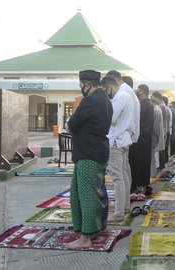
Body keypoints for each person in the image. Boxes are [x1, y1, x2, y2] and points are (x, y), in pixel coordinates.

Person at [65, 70, 112, 248]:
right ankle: (99, 227)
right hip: (97, 150)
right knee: (95, 191)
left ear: (88, 85)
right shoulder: (106, 100)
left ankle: (86, 238)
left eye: (81, 86)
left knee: (86, 195)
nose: (81, 89)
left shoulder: (90, 100)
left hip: (88, 152)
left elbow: (72, 124)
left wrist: (70, 126)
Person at [101, 76, 135, 222]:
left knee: (117, 177)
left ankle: (119, 212)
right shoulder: (126, 95)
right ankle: (125, 206)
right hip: (123, 139)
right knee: (123, 174)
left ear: (109, 86)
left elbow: (111, 118)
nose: (106, 93)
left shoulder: (120, 96)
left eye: (105, 90)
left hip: (116, 140)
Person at [128, 84, 155, 197]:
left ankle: (138, 185)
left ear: (142, 91)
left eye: (138, 90)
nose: (136, 92)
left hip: (140, 137)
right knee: (144, 161)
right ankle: (143, 184)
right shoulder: (149, 103)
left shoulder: (142, 104)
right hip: (146, 137)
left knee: (138, 162)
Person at [152, 91, 170, 169]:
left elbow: (159, 120)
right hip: (163, 129)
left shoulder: (161, 106)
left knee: (159, 150)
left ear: (157, 97)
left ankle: (160, 166)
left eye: (153, 97)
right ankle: (161, 165)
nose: (152, 98)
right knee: (161, 149)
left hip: (161, 129)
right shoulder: (162, 106)